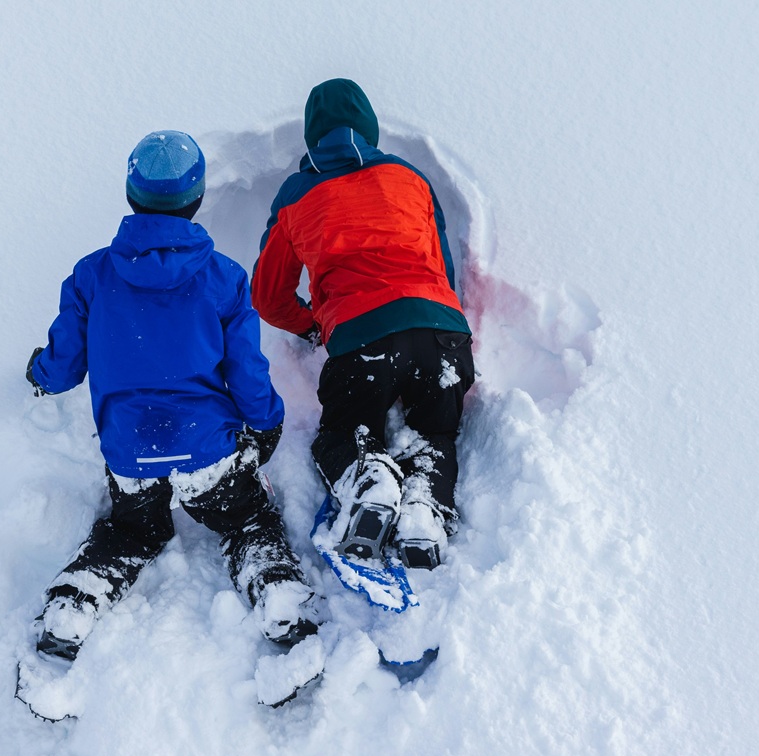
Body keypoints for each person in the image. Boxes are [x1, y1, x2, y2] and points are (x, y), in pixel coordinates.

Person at [26, 130, 318, 661]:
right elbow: (247, 370)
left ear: (131, 196)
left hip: (129, 455)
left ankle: (76, 602)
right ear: (198, 198)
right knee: (246, 518)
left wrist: (40, 373)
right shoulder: (223, 279)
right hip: (206, 451)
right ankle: (276, 592)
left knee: (132, 530)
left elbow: (64, 366)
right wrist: (267, 419)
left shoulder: (92, 275)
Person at [251, 79, 475, 571]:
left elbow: (267, 297)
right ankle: (423, 511)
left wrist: (315, 326)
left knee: (342, 434)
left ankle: (368, 478)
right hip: (441, 331)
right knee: (434, 436)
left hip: (361, 342)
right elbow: (445, 270)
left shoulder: (296, 195)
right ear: (369, 128)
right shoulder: (410, 177)